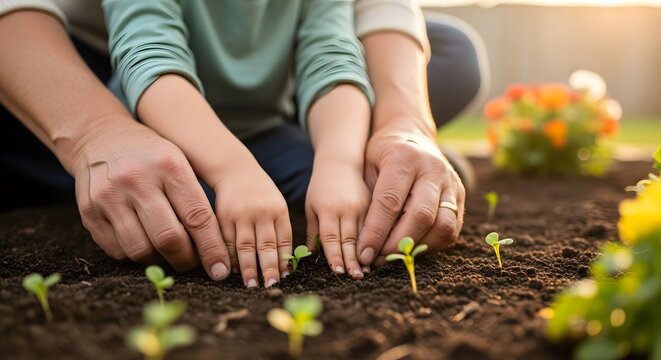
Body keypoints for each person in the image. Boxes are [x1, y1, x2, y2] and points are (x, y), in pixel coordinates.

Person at [0, 0, 486, 283]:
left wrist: (338, 164)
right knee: (188, 212)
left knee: (370, 186)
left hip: (267, 134)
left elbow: (333, 56)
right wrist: (234, 171)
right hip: (165, 135)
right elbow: (150, 56)